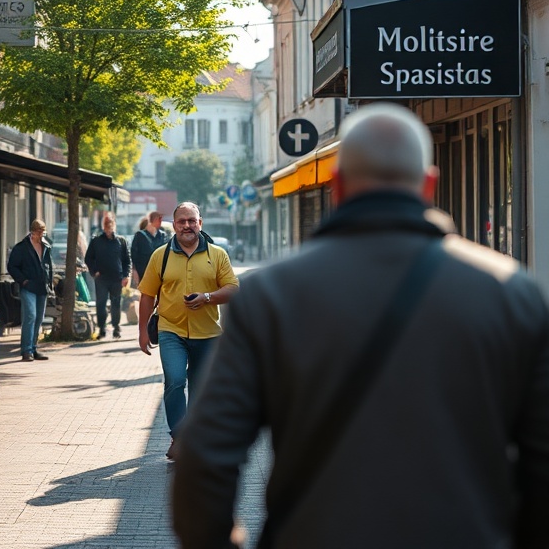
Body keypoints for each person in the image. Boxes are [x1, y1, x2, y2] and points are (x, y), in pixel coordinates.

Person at [172, 103, 549, 549]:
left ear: (337, 186)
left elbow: (205, 456)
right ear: (429, 183)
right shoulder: (513, 295)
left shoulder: (273, 296)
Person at [137, 202, 238, 461]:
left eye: (192, 221)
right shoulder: (161, 255)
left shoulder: (217, 255)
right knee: (175, 381)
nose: (187, 226)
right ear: (175, 224)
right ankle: (179, 437)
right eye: (182, 221)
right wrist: (142, 331)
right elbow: (148, 294)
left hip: (208, 333)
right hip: (171, 329)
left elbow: (232, 288)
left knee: (200, 387)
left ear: (200, 224)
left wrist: (207, 296)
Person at [7, 219, 54, 362]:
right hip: (28, 287)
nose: (41, 235)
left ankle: (33, 348)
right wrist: (23, 280)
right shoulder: (21, 248)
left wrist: (50, 283)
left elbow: (48, 265)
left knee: (39, 318)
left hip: (42, 287)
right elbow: (12, 266)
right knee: (30, 316)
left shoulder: (46, 246)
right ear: (32, 232)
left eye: (43, 232)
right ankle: (26, 350)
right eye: (39, 232)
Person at [84, 212, 131, 340]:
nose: (108, 229)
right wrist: (94, 271)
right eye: (106, 226)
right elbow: (88, 258)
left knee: (116, 303)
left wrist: (126, 275)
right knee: (101, 304)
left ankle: (116, 327)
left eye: (110, 225)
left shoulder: (121, 241)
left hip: (117, 278)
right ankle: (102, 328)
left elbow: (127, 260)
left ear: (114, 226)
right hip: (102, 278)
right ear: (103, 227)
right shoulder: (96, 241)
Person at [130, 210, 168, 286]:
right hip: (144, 272)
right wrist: (134, 271)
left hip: (160, 272)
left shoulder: (162, 235)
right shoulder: (140, 235)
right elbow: (134, 255)